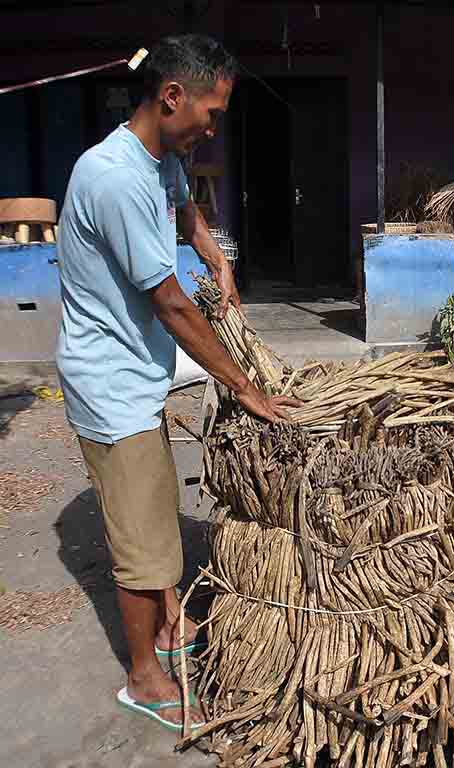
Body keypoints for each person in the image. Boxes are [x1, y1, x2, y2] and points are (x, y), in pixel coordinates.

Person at [56, 34, 297, 731]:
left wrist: (217, 258)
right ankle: (143, 677)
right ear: (171, 97)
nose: (214, 127)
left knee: (155, 514)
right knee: (142, 545)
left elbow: (186, 209)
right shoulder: (114, 178)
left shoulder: (160, 161)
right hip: (109, 379)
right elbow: (170, 303)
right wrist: (243, 385)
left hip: (137, 371)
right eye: (212, 112)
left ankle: (166, 629)